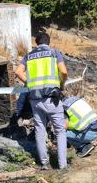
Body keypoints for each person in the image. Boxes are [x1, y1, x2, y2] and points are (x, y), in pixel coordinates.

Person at [15, 32, 68, 170]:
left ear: (36, 43)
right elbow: (64, 72)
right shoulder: (54, 52)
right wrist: (61, 85)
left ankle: (44, 163)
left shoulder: (29, 56)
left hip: (35, 100)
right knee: (60, 131)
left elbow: (18, 72)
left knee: (39, 130)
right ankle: (62, 166)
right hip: (52, 99)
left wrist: (30, 83)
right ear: (48, 42)